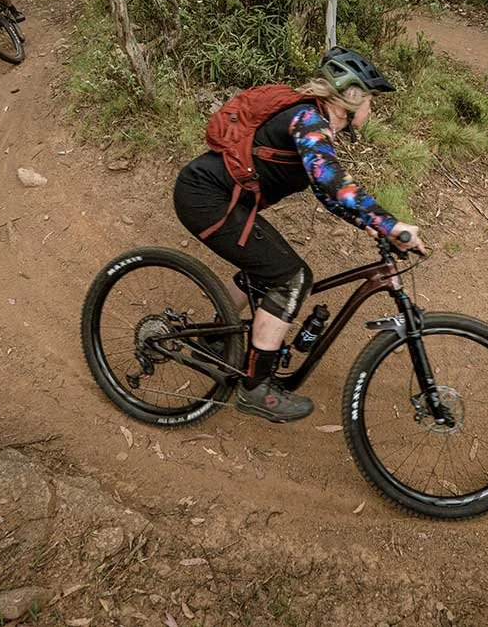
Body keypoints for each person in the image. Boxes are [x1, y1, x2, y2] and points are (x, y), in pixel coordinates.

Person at [173, 47, 425, 423]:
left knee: (271, 269)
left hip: (226, 202)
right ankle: (255, 388)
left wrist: (376, 227)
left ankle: (213, 337)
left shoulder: (314, 124)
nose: (371, 111)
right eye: (371, 101)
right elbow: (332, 182)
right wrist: (390, 224)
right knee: (292, 277)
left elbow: (328, 196)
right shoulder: (308, 120)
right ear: (352, 98)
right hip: (205, 198)